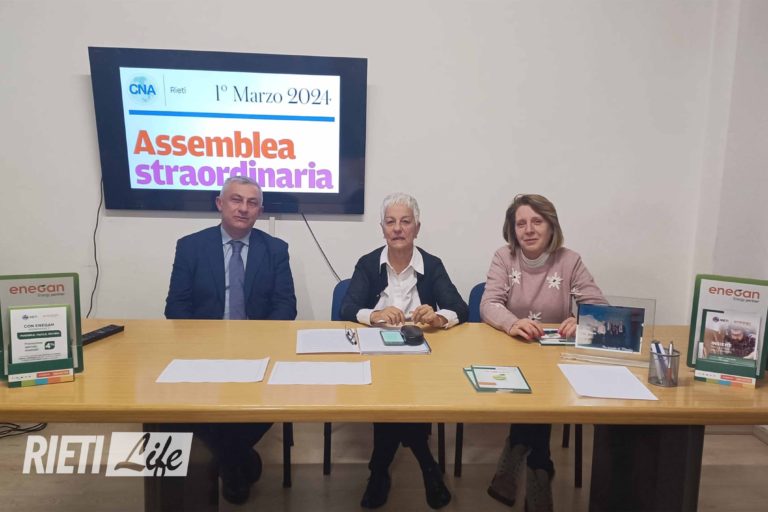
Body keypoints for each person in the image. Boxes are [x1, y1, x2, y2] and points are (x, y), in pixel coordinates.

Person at [165, 176, 297, 505]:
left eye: (252, 203)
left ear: (260, 211)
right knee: (174, 407)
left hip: (256, 350)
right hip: (202, 349)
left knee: (273, 399)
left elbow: (286, 307)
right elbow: (176, 308)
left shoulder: (275, 250)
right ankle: (237, 460)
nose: (243, 208)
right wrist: (206, 345)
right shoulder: (191, 246)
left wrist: (255, 344)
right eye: (236, 200)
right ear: (220, 204)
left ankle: (226, 459)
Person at [340, 193, 468, 510]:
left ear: (417, 228)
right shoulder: (368, 263)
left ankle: (379, 472)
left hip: (421, 361)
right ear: (382, 228)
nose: (397, 228)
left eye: (405, 221)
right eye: (391, 222)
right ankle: (427, 465)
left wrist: (438, 318)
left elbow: (460, 308)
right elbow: (347, 308)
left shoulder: (432, 265)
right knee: (392, 396)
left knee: (400, 397)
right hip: (377, 360)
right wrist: (375, 315)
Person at [480, 194, 606, 512]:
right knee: (533, 390)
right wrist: (512, 323)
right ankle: (539, 466)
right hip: (512, 354)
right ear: (512, 229)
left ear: (551, 226)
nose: (529, 230)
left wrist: (581, 320)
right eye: (521, 223)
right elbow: (489, 304)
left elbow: (600, 310)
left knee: (543, 389)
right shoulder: (504, 257)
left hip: (554, 361)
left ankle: (518, 449)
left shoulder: (569, 261)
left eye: (537, 221)